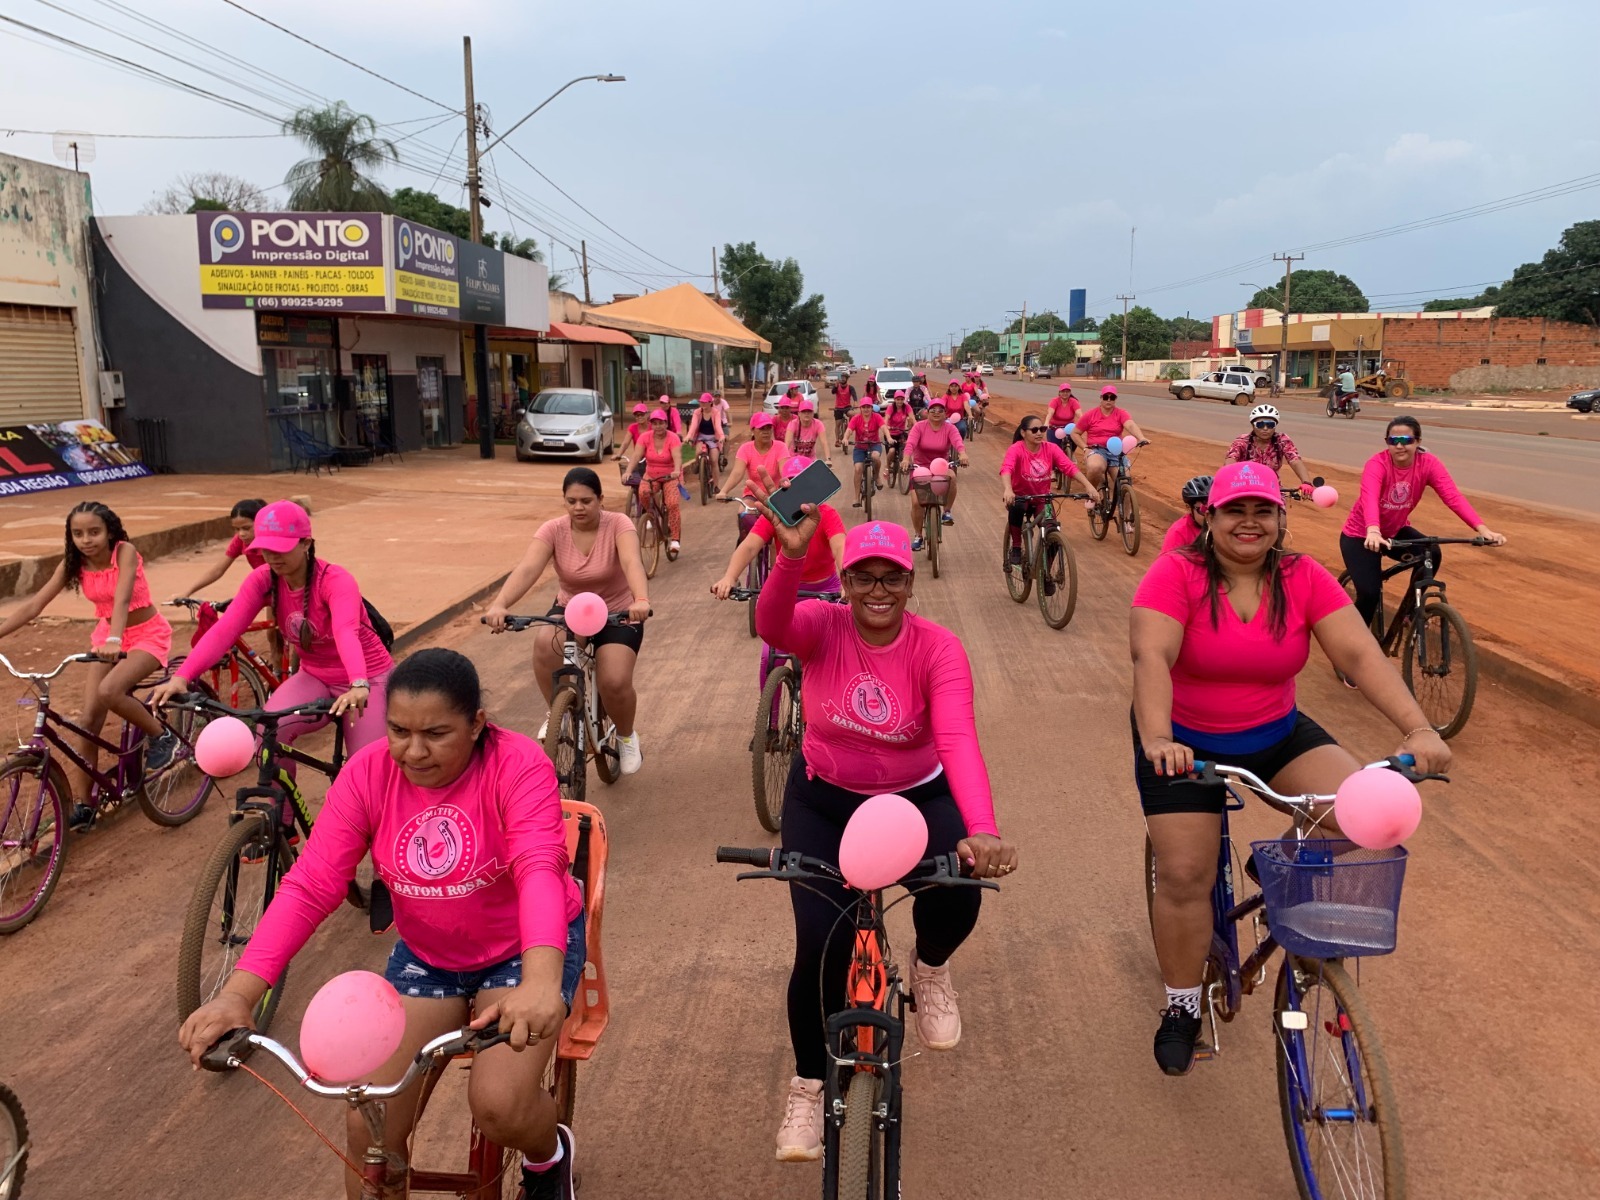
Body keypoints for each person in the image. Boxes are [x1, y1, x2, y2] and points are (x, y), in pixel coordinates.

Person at [177, 648, 589, 1200]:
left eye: (437, 733)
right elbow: (311, 884)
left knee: (501, 1106)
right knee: (367, 1123)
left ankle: (550, 1155)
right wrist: (238, 994)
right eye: (398, 730)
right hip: (430, 954)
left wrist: (541, 982)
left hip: (521, 948)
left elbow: (539, 865)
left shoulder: (517, 765)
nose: (413, 752)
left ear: (477, 725)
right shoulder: (368, 773)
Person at [1130, 461, 1452, 1077]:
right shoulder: (1176, 574)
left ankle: (1273, 865)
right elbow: (1151, 655)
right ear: (1210, 517)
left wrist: (1418, 729)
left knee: (1366, 818)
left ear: (1281, 518)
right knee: (1183, 872)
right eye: (1235, 510)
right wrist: (1158, 738)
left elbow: (1358, 653)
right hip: (1185, 744)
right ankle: (1180, 1005)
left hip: (1276, 734)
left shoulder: (1301, 577)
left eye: (1262, 510)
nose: (1249, 522)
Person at [753, 514, 1018, 1162]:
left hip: (917, 798)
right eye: (864, 577)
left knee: (959, 889)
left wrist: (981, 828)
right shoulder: (822, 625)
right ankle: (810, 1085)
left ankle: (929, 968)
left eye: (890, 578)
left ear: (908, 581)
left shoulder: (937, 648)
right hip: (824, 801)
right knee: (821, 945)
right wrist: (789, 562)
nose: (877, 590)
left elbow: (956, 738)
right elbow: (772, 626)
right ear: (844, 581)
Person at [150, 501, 393, 763]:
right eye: (266, 549)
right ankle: (281, 805)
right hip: (315, 676)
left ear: (306, 544)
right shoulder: (263, 579)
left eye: (281, 548)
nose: (273, 556)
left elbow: (346, 631)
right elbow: (225, 630)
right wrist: (183, 675)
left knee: (366, 765)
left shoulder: (335, 580)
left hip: (368, 677)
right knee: (268, 735)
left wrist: (358, 682)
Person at [0, 501, 174, 825]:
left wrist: (115, 639)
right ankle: (86, 804)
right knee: (88, 721)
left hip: (146, 635)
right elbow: (36, 604)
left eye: (94, 532)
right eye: (78, 533)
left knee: (110, 691)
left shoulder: (124, 552)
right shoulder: (73, 563)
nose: (86, 539)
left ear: (109, 531)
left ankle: (160, 735)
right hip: (108, 636)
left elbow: (122, 599)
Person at [486, 467, 651, 775]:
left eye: (586, 501)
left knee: (614, 681)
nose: (578, 508)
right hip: (571, 608)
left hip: (618, 610)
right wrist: (500, 604)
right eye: (571, 501)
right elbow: (528, 568)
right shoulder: (553, 529)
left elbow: (631, 562)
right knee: (544, 644)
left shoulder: (618, 524)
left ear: (600, 499)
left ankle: (627, 736)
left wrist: (640, 599)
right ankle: (557, 710)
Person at [1339, 416, 1506, 629]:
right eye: (1393, 441)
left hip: (1395, 532)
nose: (1399, 446)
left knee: (1431, 553)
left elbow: (1452, 497)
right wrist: (1372, 529)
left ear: (1418, 441)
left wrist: (1483, 530)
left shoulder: (1428, 464)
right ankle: (1354, 645)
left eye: (1406, 440)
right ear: (1387, 442)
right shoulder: (1377, 464)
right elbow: (1369, 497)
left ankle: (1410, 613)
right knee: (1370, 594)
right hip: (1361, 536)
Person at [999, 417, 1092, 567]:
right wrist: (1008, 489)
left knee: (1053, 533)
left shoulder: (1051, 448)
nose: (1039, 433)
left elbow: (1069, 467)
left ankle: (1045, 572)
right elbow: (1006, 468)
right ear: (1023, 433)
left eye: (1042, 429)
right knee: (1016, 507)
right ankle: (1016, 546)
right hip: (1021, 497)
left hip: (1042, 499)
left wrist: (1088, 485)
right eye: (1034, 430)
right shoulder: (1016, 449)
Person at [905, 397, 969, 550]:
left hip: (941, 467)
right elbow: (910, 444)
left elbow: (958, 442)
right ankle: (918, 535)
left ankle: (946, 512)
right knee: (916, 503)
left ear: (945, 413)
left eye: (940, 410)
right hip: (920, 468)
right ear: (927, 412)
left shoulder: (950, 428)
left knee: (952, 476)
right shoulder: (919, 427)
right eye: (933, 409)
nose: (936, 413)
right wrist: (906, 459)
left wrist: (963, 454)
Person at [1078, 387, 1147, 527]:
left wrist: (1141, 437)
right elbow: (1075, 432)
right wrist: (1084, 447)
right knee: (1096, 467)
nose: (1109, 400)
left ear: (1115, 399)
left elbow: (1130, 425)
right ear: (1101, 398)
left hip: (1116, 451)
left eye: (1112, 397)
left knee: (1125, 483)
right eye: (1106, 397)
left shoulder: (1120, 413)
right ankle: (1091, 494)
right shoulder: (1091, 414)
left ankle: (1127, 519)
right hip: (1097, 449)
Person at [175, 499, 268, 596]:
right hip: (270, 585)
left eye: (246, 528)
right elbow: (218, 570)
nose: (241, 534)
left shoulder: (271, 540)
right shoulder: (240, 540)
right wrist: (187, 592)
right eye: (237, 529)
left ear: (260, 523)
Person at [1224, 405, 1315, 494]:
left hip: (1273, 489)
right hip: (1245, 488)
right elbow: (1231, 460)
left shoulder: (1282, 440)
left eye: (1270, 425)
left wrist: (1306, 482)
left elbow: (1294, 460)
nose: (1265, 428)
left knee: (1280, 508)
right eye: (1260, 425)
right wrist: (1228, 478)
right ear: (1253, 425)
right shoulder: (1242, 441)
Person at [635, 409, 683, 556]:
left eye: (661, 423)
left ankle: (675, 539)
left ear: (666, 424)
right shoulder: (645, 437)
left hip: (670, 476)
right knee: (643, 492)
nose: (658, 427)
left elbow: (677, 457)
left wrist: (676, 470)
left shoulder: (673, 438)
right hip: (652, 474)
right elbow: (636, 455)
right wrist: (627, 471)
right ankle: (650, 515)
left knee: (673, 503)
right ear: (651, 425)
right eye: (655, 424)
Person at [844, 397, 887, 505]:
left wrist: (889, 437)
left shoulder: (876, 417)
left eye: (868, 407)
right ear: (860, 408)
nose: (866, 409)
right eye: (864, 407)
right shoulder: (856, 418)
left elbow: (884, 428)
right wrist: (845, 438)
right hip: (860, 447)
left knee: (876, 457)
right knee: (858, 468)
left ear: (872, 408)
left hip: (874, 445)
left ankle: (876, 476)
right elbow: (849, 430)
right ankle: (856, 497)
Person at [685, 393, 727, 493]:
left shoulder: (715, 412)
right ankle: (697, 466)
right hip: (700, 437)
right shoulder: (697, 412)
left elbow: (718, 426)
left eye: (705, 402)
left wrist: (721, 436)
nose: (703, 404)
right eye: (701, 402)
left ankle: (716, 486)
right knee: (697, 452)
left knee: (714, 460)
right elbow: (693, 426)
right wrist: (689, 436)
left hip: (713, 438)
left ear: (710, 403)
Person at [1161, 476, 1213, 553]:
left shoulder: (1225, 526)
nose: (1210, 515)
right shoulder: (1178, 534)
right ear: (1189, 508)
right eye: (1203, 510)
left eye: (1213, 509)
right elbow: (1166, 563)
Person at [783, 398, 830, 463]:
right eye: (804, 411)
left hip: (810, 460)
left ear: (813, 413)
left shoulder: (818, 424)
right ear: (799, 413)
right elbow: (787, 442)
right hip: (794, 459)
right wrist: (784, 460)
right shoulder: (792, 424)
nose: (806, 414)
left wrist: (828, 459)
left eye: (809, 411)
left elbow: (824, 442)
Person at [883, 390, 913, 473]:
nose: (900, 401)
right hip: (891, 434)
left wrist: (916, 429)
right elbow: (885, 420)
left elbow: (913, 419)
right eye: (898, 399)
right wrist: (887, 427)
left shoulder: (907, 407)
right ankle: (887, 466)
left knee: (908, 446)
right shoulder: (891, 407)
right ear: (894, 399)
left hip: (901, 433)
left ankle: (909, 466)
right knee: (892, 451)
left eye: (901, 399)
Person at [1047, 384, 1082, 453]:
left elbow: (1079, 414)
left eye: (1067, 391)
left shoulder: (1074, 401)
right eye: (1063, 391)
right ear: (1059, 392)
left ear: (1070, 392)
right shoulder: (1054, 401)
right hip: (1055, 427)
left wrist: (1083, 423)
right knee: (1054, 448)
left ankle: (1071, 453)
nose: (1065, 393)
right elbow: (1050, 413)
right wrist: (1046, 422)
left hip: (1069, 427)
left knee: (1076, 438)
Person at [831, 377, 857, 446]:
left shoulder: (850, 387)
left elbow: (854, 395)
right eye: (841, 379)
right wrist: (835, 387)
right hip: (838, 408)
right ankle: (837, 440)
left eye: (844, 379)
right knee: (838, 424)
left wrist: (855, 402)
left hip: (847, 407)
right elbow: (833, 392)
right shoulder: (837, 387)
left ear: (846, 380)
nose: (842, 380)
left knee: (852, 414)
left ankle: (850, 427)